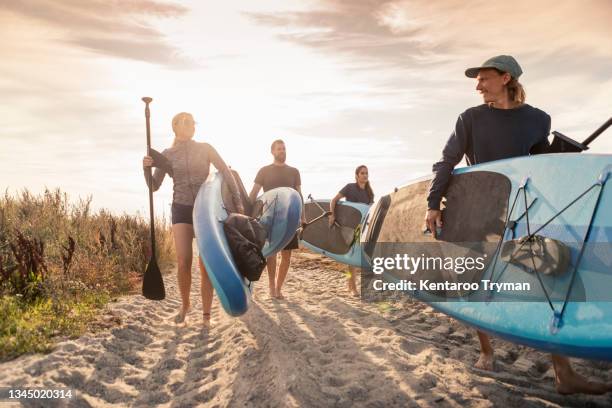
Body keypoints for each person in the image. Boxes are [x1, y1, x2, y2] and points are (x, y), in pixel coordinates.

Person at [424, 55, 612, 395]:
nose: (477, 85)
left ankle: (563, 373)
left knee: (543, 276)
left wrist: (566, 156)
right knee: (474, 279)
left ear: (506, 78)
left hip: (523, 208)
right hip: (479, 208)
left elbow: (542, 166)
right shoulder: (470, 118)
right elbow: (447, 160)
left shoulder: (538, 119)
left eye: (483, 78)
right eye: (477, 80)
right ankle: (486, 351)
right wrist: (433, 204)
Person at [142, 112, 244, 328]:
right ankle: (185, 305)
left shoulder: (205, 148)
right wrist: (146, 168)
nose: (189, 125)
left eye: (191, 122)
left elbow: (226, 172)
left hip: (205, 210)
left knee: (206, 264)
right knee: (183, 261)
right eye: (184, 122)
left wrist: (238, 201)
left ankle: (206, 315)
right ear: (175, 127)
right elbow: (154, 186)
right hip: (180, 208)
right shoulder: (167, 154)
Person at [249, 139, 304, 299]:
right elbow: (254, 193)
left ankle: (279, 287)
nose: (282, 151)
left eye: (284, 148)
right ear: (272, 151)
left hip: (289, 218)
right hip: (269, 218)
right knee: (271, 253)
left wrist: (303, 216)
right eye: (279, 149)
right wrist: (247, 213)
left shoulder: (294, 171)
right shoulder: (264, 171)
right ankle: (272, 286)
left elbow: (298, 195)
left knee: (287, 255)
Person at [329, 165, 374, 296]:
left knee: (355, 257)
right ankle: (353, 287)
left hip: (362, 228)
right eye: (362, 173)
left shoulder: (369, 192)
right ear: (357, 176)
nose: (365, 175)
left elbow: (370, 210)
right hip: (348, 226)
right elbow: (334, 200)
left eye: (366, 173)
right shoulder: (349, 187)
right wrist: (332, 215)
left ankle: (350, 285)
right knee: (351, 258)